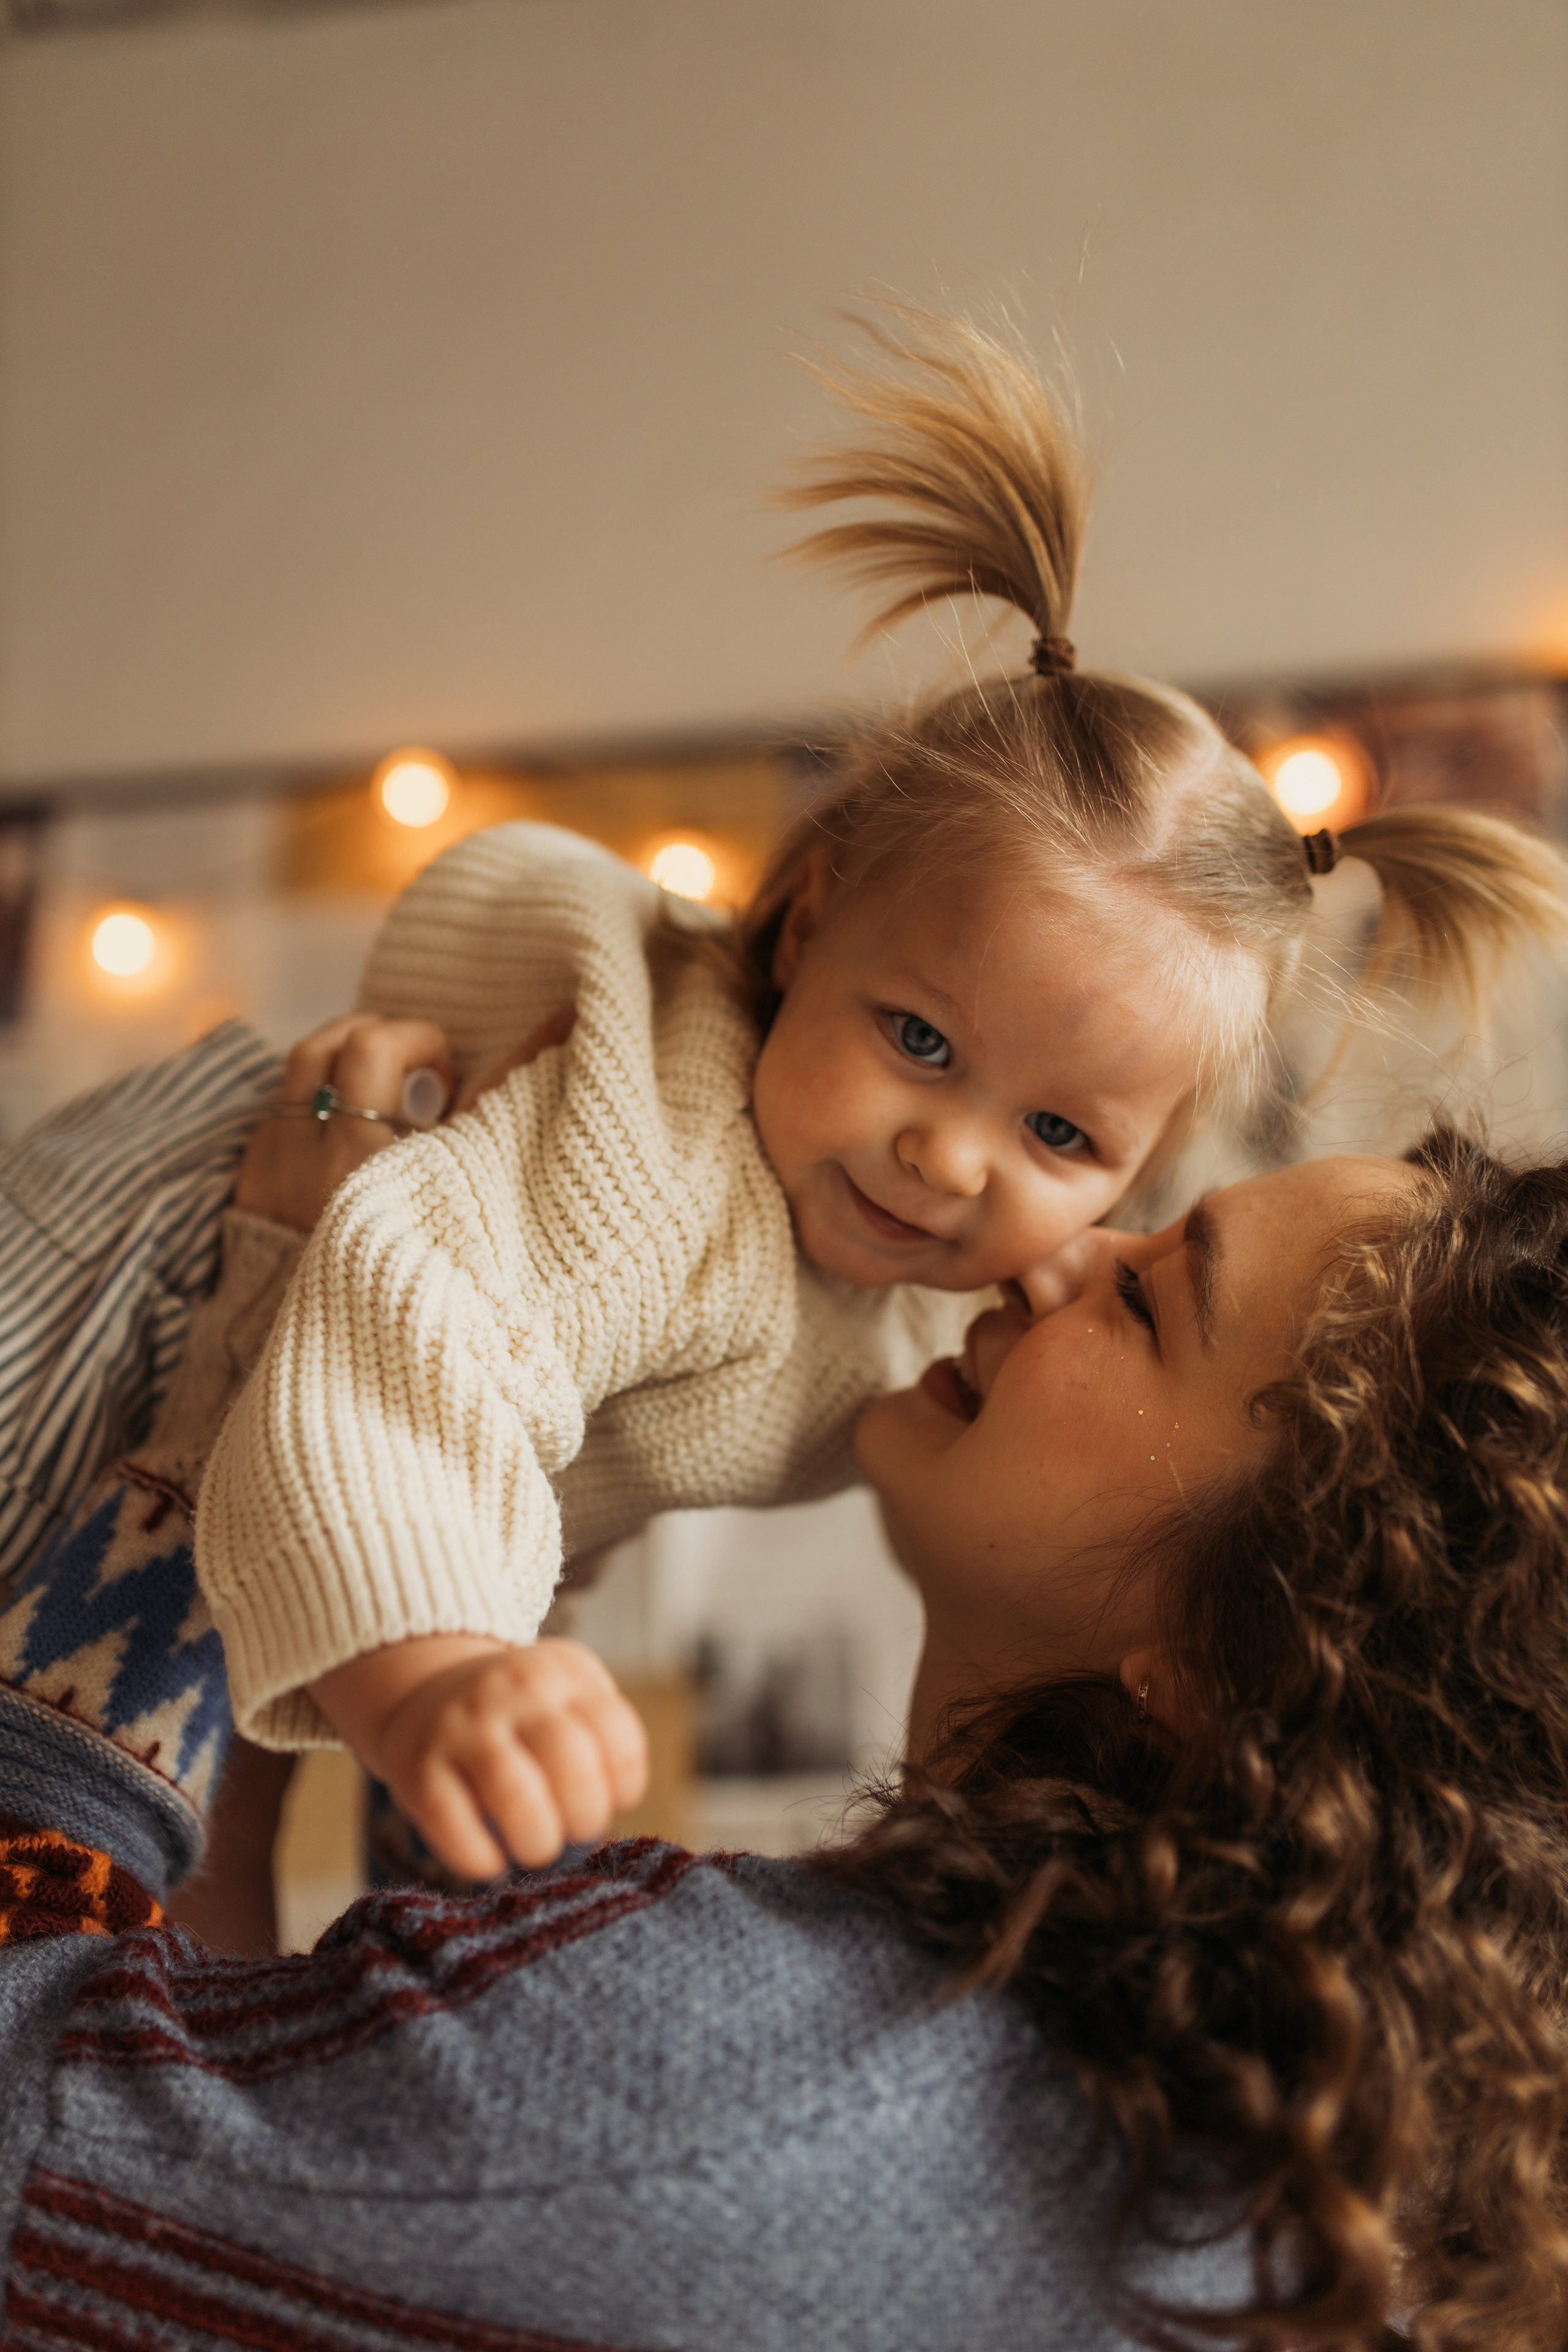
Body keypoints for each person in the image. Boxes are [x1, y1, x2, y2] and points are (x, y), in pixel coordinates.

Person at [194, 307, 1568, 1882]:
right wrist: (432, 1677)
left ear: (1137, 1169)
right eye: (918, 1039)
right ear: (803, 921)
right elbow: (393, 1365)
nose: (944, 1155)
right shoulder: (652, 1165)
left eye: (1058, 1136)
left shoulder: (946, 1314)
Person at [4, 1076, 1567, 2351]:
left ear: (1243, 1657)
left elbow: (35, 2133)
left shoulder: (760, 2089)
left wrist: (274, 1355)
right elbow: (373, 2157)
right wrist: (416, 1613)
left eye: (1152, 1303)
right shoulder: (1270, 2219)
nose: (1057, 1254)